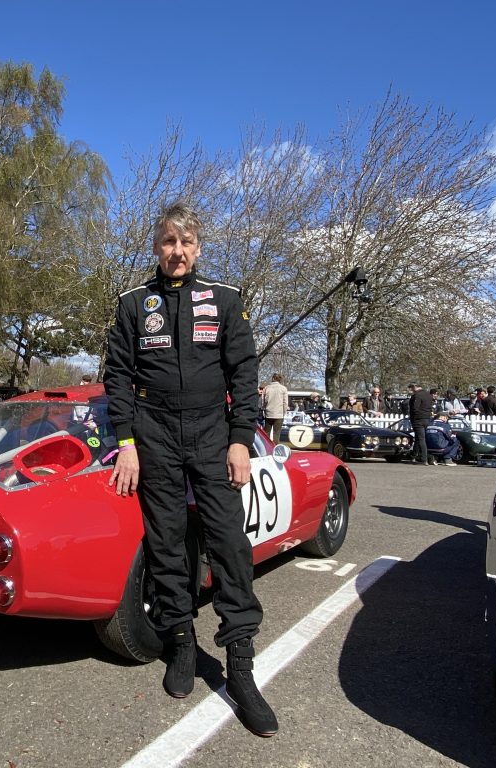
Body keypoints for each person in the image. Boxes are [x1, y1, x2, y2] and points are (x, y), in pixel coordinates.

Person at [104, 202, 277, 737]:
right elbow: (117, 377)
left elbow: (243, 373)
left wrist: (242, 440)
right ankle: (180, 642)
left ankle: (241, 668)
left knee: (227, 542)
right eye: (168, 243)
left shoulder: (225, 299)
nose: (177, 252)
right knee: (168, 542)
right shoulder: (134, 303)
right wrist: (127, 443)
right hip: (152, 432)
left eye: (186, 244)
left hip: (212, 432)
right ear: (156, 247)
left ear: (198, 248)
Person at [407, 382, 434, 465]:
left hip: (418, 419)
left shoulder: (417, 396)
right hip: (426, 418)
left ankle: (424, 459)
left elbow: (415, 408)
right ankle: (414, 455)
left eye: (412, 387)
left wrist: (413, 417)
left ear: (415, 387)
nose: (411, 389)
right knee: (419, 438)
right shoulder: (428, 395)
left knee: (421, 439)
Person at [261, 373, 289, 443]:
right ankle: (275, 448)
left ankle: (265, 449)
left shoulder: (266, 388)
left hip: (268, 413)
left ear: (273, 378)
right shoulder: (283, 389)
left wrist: (264, 410)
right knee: (276, 434)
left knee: (266, 433)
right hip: (279, 414)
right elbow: (285, 403)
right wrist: (283, 413)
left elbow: (263, 401)